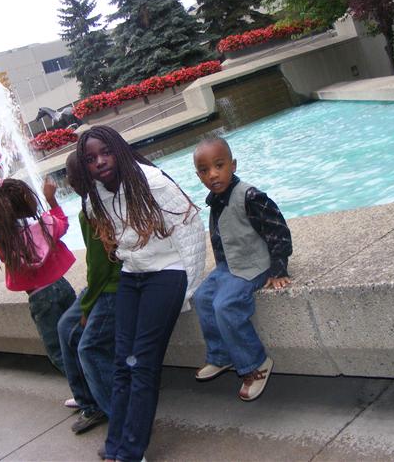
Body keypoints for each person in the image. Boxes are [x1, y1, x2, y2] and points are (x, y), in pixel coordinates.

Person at [75, 126, 205, 462]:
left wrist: (186, 287)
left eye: (105, 152)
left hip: (168, 273)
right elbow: (114, 242)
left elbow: (190, 227)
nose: (100, 162)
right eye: (91, 159)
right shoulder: (94, 201)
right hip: (133, 276)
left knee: (143, 364)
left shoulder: (153, 181)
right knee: (122, 363)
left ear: (118, 149)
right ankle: (116, 444)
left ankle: (132, 452)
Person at [192, 136, 292, 402]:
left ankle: (255, 363)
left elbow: (278, 230)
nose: (213, 174)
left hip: (254, 265)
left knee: (226, 305)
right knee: (202, 299)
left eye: (219, 165)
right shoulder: (215, 198)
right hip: (229, 266)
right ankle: (221, 355)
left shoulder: (250, 196)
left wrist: (279, 268)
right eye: (204, 170)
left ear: (233, 165)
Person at [0, 177, 76, 374]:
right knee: (79, 335)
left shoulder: (3, 242)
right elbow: (64, 224)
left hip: (40, 298)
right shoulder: (45, 225)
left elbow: (1, 249)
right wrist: (51, 200)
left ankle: (85, 394)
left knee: (58, 350)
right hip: (62, 286)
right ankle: (98, 383)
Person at [57, 152, 121, 436]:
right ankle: (88, 400)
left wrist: (86, 308)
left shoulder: (93, 211)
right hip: (101, 286)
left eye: (70, 178)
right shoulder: (91, 204)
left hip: (112, 288)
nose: (68, 183)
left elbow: (100, 266)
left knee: (87, 346)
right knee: (63, 327)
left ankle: (118, 416)